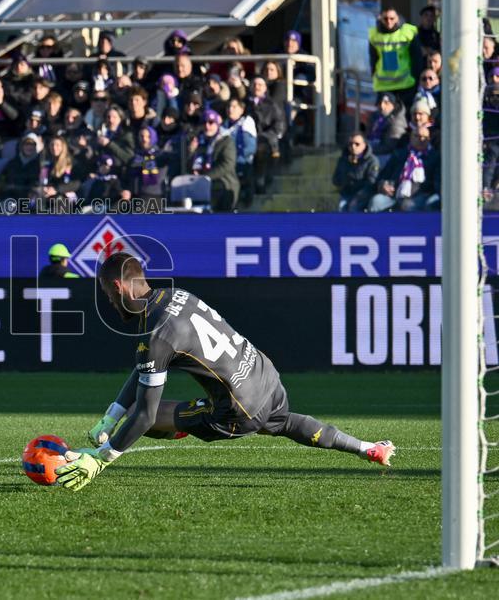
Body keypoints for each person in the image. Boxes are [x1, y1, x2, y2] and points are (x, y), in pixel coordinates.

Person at [52, 252, 395, 492]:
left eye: (108, 295)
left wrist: (101, 459)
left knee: (148, 419)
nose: (110, 303)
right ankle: (368, 448)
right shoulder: (176, 295)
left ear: (118, 287)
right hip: (265, 375)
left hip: (237, 411)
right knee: (283, 422)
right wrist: (111, 415)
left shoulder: (156, 334)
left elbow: (145, 414)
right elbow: (145, 368)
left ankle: (185, 425)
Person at [368, 7, 422, 107]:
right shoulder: (374, 35)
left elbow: (416, 57)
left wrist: (415, 77)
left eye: (392, 18)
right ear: (380, 18)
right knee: (386, 115)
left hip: (405, 84)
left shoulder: (408, 33)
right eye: (385, 19)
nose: (389, 22)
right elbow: (373, 58)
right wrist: (374, 74)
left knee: (404, 114)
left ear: (397, 18)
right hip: (384, 85)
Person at [333, 133, 379, 212]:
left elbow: (371, 182)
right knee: (341, 207)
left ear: (364, 145)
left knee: (353, 207)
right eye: (351, 144)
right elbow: (336, 180)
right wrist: (348, 166)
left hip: (364, 194)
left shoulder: (372, 161)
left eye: (357, 144)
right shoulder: (344, 159)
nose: (353, 147)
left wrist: (358, 196)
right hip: (347, 193)